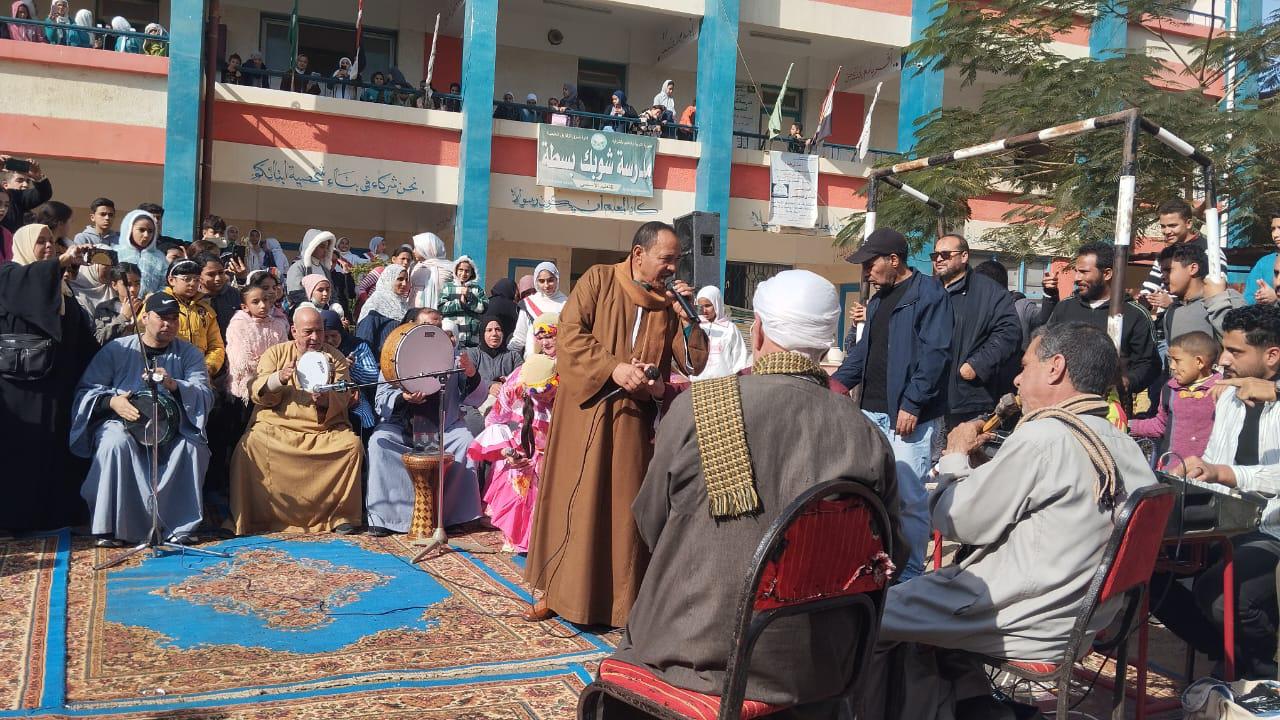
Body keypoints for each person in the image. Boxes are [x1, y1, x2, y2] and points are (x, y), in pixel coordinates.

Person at [615, 271, 904, 714]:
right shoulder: (865, 433)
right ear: (825, 344)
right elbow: (891, 551)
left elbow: (650, 523)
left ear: (760, 331)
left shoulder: (699, 406)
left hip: (694, 658)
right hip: (821, 667)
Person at [861, 321, 1157, 720]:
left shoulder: (1044, 437)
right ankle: (977, 707)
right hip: (1080, 622)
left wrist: (955, 456)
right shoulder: (1126, 445)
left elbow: (956, 520)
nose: (1017, 379)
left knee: (865, 617)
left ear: (1055, 367)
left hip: (1023, 617)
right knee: (922, 625)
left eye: (1025, 366)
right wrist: (982, 468)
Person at [525, 221, 709, 626]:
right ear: (638, 254)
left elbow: (693, 363)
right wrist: (614, 368)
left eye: (676, 261)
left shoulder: (669, 303)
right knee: (573, 500)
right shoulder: (599, 279)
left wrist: (689, 320)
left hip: (631, 421)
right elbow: (570, 334)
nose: (672, 268)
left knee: (623, 511)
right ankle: (555, 592)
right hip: (584, 412)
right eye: (666, 259)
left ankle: (620, 605)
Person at [1151, 305, 1280, 680]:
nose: (1223, 360)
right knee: (1148, 572)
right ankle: (1226, 652)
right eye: (1224, 348)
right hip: (1225, 523)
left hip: (1271, 532)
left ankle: (1261, 674)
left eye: (1235, 351)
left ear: (1272, 355)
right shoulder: (1229, 397)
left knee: (1222, 595)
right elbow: (1213, 459)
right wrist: (1191, 473)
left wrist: (1224, 473)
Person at [833, 227, 952, 581]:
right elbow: (864, 354)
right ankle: (875, 564)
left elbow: (935, 354)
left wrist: (913, 402)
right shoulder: (877, 301)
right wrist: (833, 386)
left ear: (894, 260)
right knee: (871, 492)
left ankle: (910, 573)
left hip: (908, 416)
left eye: (870, 264)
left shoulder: (929, 294)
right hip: (872, 412)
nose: (866, 273)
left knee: (908, 497)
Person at [72, 292, 211, 546]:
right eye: (162, 317)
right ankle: (111, 528)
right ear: (145, 318)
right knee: (114, 443)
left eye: (174, 318)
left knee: (192, 446)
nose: (168, 324)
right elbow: (86, 390)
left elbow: (203, 393)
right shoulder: (117, 349)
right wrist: (113, 402)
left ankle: (178, 527)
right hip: (122, 423)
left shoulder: (189, 354)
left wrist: (173, 384)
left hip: (172, 426)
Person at [229, 307, 365, 534]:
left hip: (322, 430)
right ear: (293, 331)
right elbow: (257, 390)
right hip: (278, 427)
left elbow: (344, 395)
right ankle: (257, 518)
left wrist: (325, 400)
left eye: (319, 331)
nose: (315, 338)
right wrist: (279, 378)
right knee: (250, 445)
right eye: (308, 332)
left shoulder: (335, 357)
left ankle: (340, 517)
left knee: (351, 446)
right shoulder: (276, 354)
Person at [0, 225, 95, 534]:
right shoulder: (9, 275)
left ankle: (52, 517)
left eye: (51, 241)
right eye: (40, 242)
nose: (48, 246)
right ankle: (14, 520)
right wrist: (62, 262)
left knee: (54, 450)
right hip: (19, 387)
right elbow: (29, 287)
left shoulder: (63, 289)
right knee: (20, 452)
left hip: (56, 385)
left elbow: (79, 337)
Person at [365, 319, 483, 537]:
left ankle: (451, 517)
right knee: (378, 444)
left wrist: (471, 374)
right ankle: (386, 518)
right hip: (401, 429)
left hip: (444, 428)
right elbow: (381, 401)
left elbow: (477, 398)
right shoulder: (393, 357)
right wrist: (403, 398)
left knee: (465, 442)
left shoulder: (452, 357)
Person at [1034, 241, 1161, 399]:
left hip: (1111, 405)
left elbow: (1149, 364)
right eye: (1076, 271)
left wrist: (1126, 383)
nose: (1077, 278)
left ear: (1107, 274)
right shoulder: (1064, 308)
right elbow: (1044, 349)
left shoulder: (1136, 314)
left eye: (1084, 272)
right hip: (1063, 402)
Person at [931, 234, 1022, 432]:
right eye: (935, 255)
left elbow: (1009, 332)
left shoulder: (989, 292)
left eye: (945, 254)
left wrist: (977, 365)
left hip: (967, 402)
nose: (938, 259)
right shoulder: (927, 290)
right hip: (928, 398)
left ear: (964, 256)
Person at [470, 353, 558, 553]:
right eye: (541, 338)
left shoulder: (568, 386)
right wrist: (508, 452)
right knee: (514, 476)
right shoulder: (514, 386)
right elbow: (494, 421)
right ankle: (516, 535)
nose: (546, 342)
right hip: (521, 450)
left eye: (550, 337)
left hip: (557, 454)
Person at [1129, 331, 1220, 466]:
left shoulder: (1221, 389)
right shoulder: (1170, 389)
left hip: (1209, 470)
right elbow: (1160, 425)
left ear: (1199, 362)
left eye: (1177, 361)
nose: (1171, 366)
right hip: (1171, 467)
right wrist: (1128, 425)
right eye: (1170, 360)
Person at [1161, 243, 1244, 343]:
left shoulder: (1227, 299)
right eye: (1162, 272)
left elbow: (1244, 341)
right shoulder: (1172, 311)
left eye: (1168, 270)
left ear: (1193, 268)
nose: (1163, 276)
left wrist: (1217, 302)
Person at [225, 282, 289, 406]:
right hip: (247, 386)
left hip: (274, 384)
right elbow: (241, 362)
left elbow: (284, 353)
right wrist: (268, 367)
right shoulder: (238, 325)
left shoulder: (278, 325)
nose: (263, 305)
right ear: (245, 307)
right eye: (256, 302)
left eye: (265, 300)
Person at [460, 312, 524, 435]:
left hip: (507, 404)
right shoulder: (473, 354)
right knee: (478, 429)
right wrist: (489, 386)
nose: (494, 333)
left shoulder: (513, 356)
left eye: (498, 329)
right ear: (482, 334)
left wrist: (507, 384)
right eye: (489, 330)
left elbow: (522, 378)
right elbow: (465, 379)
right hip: (475, 405)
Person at [160, 258, 225, 376]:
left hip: (199, 372)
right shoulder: (158, 305)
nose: (192, 284)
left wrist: (208, 367)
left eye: (196, 279)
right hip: (166, 371)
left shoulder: (205, 310)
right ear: (172, 280)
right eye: (187, 279)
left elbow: (216, 346)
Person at [1140, 197, 1205, 309]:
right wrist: (1145, 300)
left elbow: (1216, 291)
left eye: (1172, 226)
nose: (1167, 231)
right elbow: (1149, 288)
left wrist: (1172, 302)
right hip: (1165, 318)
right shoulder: (1166, 253)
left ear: (1188, 223)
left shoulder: (1209, 251)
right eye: (1163, 226)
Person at [321, 309, 377, 432]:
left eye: (334, 336)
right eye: (325, 337)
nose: (330, 340)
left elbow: (374, 377)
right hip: (323, 398)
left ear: (341, 332)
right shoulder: (316, 348)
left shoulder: (357, 346)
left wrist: (353, 368)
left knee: (365, 419)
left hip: (354, 398)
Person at [688, 286, 749, 380]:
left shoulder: (729, 329)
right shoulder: (695, 327)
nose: (704, 311)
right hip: (698, 383)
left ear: (717, 303)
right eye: (701, 306)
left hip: (725, 383)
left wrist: (736, 378)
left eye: (708, 305)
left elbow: (739, 356)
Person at [511, 261, 568, 358]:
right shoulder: (528, 303)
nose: (546, 285)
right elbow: (520, 337)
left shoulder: (566, 304)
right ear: (536, 282)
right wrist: (507, 356)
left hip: (560, 361)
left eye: (550, 280)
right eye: (541, 281)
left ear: (557, 279)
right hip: (533, 360)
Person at [356, 264, 410, 354]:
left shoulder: (404, 305)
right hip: (378, 359)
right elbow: (364, 339)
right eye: (400, 279)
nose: (404, 283)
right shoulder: (375, 304)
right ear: (389, 279)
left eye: (406, 280)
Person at [439, 255, 488, 348]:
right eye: (460, 270)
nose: (463, 273)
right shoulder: (448, 287)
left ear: (472, 272)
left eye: (467, 271)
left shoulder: (477, 289)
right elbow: (441, 307)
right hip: (453, 336)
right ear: (455, 270)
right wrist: (459, 303)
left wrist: (470, 296)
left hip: (472, 336)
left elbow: (484, 308)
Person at [90, 262, 144, 344]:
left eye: (137, 284)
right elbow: (99, 339)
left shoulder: (145, 307)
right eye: (127, 284)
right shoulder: (105, 308)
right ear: (114, 285)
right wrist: (124, 317)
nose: (133, 289)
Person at [114, 209, 166, 294]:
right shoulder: (116, 252)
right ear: (130, 229)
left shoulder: (159, 257)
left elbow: (165, 284)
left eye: (150, 231)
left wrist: (154, 297)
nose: (146, 235)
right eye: (141, 230)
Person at [1, 156, 52, 235]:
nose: (25, 185)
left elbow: (44, 194)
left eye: (28, 181)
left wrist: (37, 176)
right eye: (19, 180)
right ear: (5, 185)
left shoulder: (19, 198)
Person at [197, 253, 240, 335]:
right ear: (198, 276)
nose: (218, 278)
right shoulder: (193, 298)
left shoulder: (234, 294)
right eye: (211, 274)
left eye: (221, 273)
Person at [409, 231, 453, 310]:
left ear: (425, 248)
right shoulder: (417, 267)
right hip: (415, 313)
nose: (413, 251)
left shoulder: (448, 268)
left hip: (440, 312)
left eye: (416, 248)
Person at [285, 228, 335, 298]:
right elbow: (295, 293)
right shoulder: (298, 267)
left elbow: (332, 294)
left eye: (327, 247)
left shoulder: (325, 270)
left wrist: (334, 304)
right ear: (312, 246)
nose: (326, 251)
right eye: (322, 247)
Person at [1245, 211, 1280, 306]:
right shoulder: (1264, 262)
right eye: (1273, 229)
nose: (1275, 234)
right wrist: (1260, 298)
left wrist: (1276, 298)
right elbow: (1248, 298)